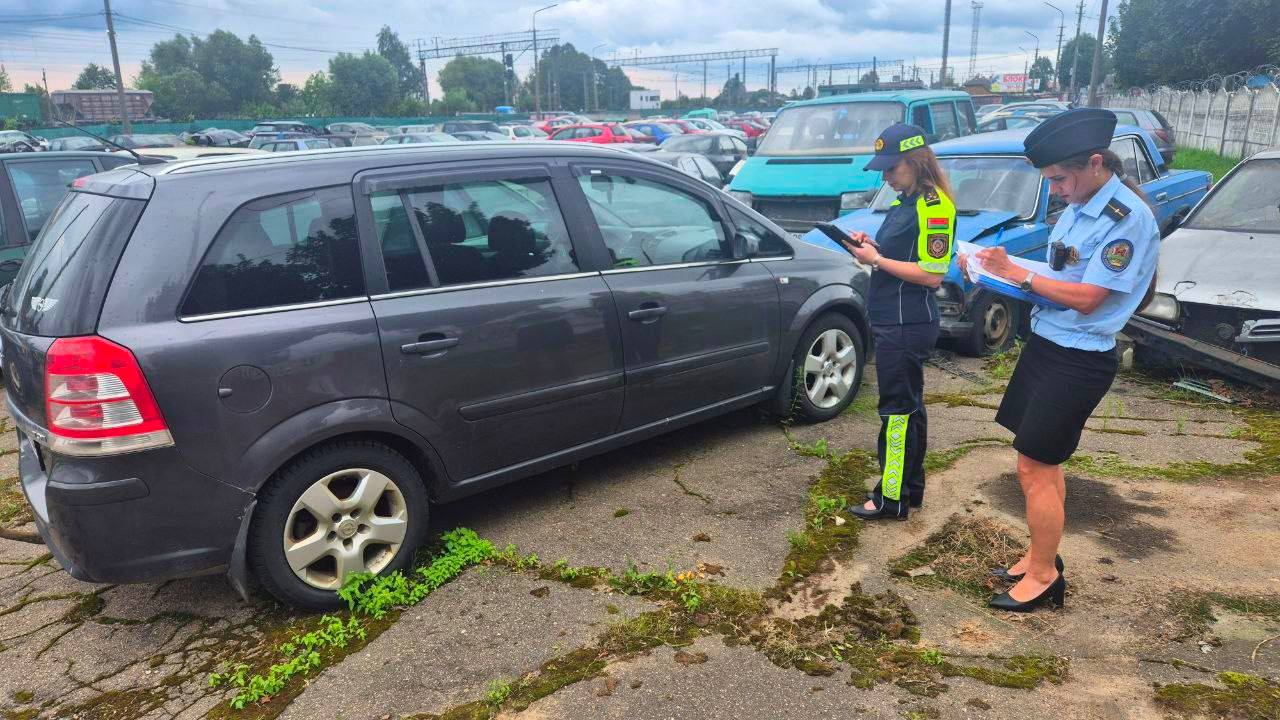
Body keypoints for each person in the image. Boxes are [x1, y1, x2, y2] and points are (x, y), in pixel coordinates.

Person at [959, 108, 1159, 612]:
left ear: (1095, 163)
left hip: (1079, 358)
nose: (1055, 190)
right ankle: (1040, 553)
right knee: (1040, 464)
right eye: (1049, 181)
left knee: (1035, 468)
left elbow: (1089, 296)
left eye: (1060, 179)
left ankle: (1046, 577)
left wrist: (1019, 277)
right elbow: (1060, 274)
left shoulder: (1126, 220)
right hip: (1049, 345)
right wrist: (990, 266)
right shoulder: (1080, 204)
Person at [840, 123, 956, 521]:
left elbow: (932, 273)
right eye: (883, 170)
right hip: (895, 319)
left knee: (896, 413)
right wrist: (871, 248)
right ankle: (912, 488)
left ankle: (890, 498)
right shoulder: (904, 202)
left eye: (892, 168)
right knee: (910, 409)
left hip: (907, 324)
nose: (885, 176)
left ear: (916, 161)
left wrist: (877, 261)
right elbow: (900, 255)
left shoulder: (933, 204)